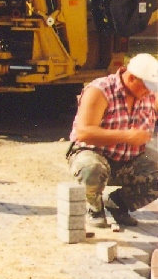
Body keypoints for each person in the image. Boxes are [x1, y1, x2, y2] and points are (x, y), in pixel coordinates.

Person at [66, 53, 158, 228]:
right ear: (131, 78)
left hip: (129, 159)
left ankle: (118, 204)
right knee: (91, 169)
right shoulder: (100, 90)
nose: (149, 91)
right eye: (146, 86)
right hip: (95, 153)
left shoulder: (149, 94)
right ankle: (95, 208)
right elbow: (84, 132)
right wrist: (127, 136)